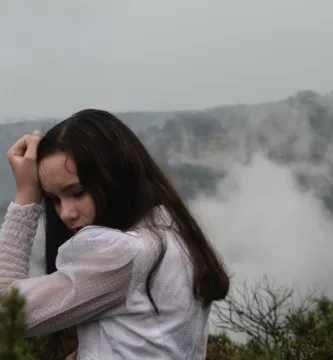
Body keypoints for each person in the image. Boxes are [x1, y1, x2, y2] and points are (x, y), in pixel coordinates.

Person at [0, 109, 229, 359]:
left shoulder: (126, 254)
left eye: (78, 193)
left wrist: (26, 198)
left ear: (116, 178)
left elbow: (7, 310)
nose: (66, 213)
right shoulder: (170, 232)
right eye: (53, 199)